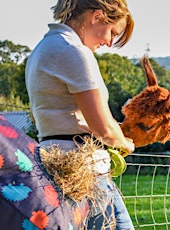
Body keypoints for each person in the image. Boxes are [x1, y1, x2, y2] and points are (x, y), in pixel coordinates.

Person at [25, 0, 135, 229]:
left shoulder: (42, 48)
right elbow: (103, 128)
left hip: (55, 167)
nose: (109, 42)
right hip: (87, 174)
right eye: (112, 32)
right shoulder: (73, 51)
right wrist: (125, 143)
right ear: (96, 16)